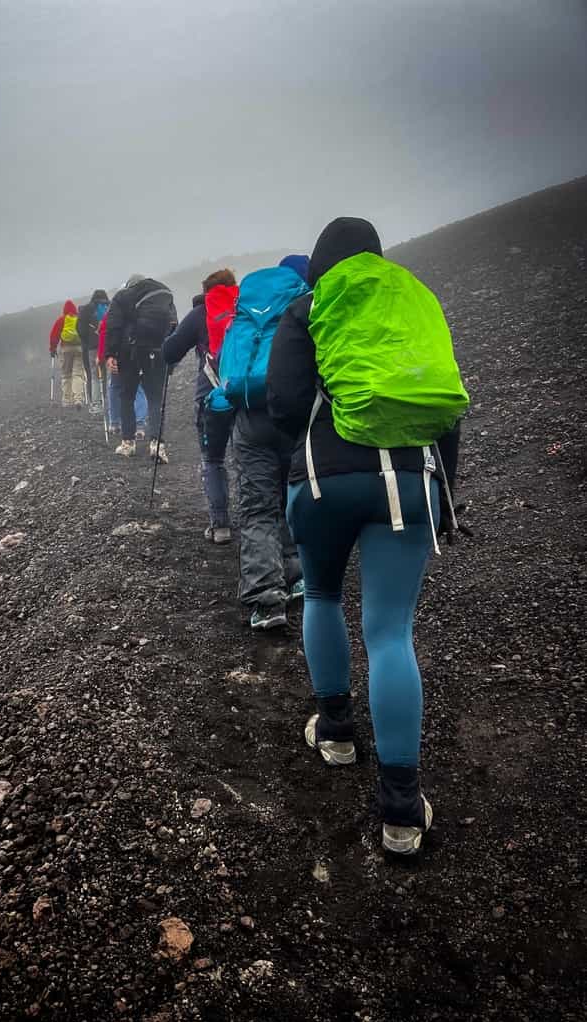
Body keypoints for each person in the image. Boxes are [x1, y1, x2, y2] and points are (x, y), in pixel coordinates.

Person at [266, 217, 469, 855]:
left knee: (322, 596)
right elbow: (443, 405)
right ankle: (402, 813)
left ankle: (335, 732)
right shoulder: (413, 296)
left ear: (323, 262)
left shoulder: (310, 306)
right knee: (389, 632)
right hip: (409, 481)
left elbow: (284, 402)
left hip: (324, 482)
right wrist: (444, 497)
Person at [214, 257, 309, 630]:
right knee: (293, 497)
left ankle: (267, 601)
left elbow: (224, 370)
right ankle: (298, 575)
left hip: (250, 420)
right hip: (293, 416)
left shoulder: (244, 315)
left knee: (257, 508)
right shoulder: (303, 304)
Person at [162, 270, 238, 543]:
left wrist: (171, 334)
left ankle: (220, 526)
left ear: (207, 290)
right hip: (249, 394)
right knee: (251, 458)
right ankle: (262, 523)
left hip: (212, 395)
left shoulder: (201, 313)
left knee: (213, 459)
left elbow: (169, 353)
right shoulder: (247, 306)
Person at [105, 274, 177, 460]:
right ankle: (157, 445)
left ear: (130, 285)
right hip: (157, 350)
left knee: (127, 396)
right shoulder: (164, 293)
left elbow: (113, 326)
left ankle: (128, 443)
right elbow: (173, 326)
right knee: (155, 397)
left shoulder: (122, 296)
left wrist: (110, 354)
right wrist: (171, 359)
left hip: (130, 352)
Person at [97, 311, 148, 439]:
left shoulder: (112, 313)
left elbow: (104, 333)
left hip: (118, 356)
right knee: (139, 388)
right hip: (138, 354)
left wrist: (102, 355)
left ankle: (115, 423)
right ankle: (140, 424)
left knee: (115, 387)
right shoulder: (141, 309)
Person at [78, 289, 109, 415]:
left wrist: (88, 341)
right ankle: (109, 402)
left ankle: (96, 404)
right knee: (108, 374)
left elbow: (80, 329)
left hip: (92, 347)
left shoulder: (86, 309)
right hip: (108, 345)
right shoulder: (110, 306)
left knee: (94, 375)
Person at [49, 300, 86, 407]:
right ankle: (78, 399)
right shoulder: (78, 319)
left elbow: (54, 335)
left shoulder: (62, 320)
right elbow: (84, 334)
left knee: (66, 375)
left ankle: (67, 400)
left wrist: (52, 348)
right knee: (78, 374)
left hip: (65, 349)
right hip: (79, 349)